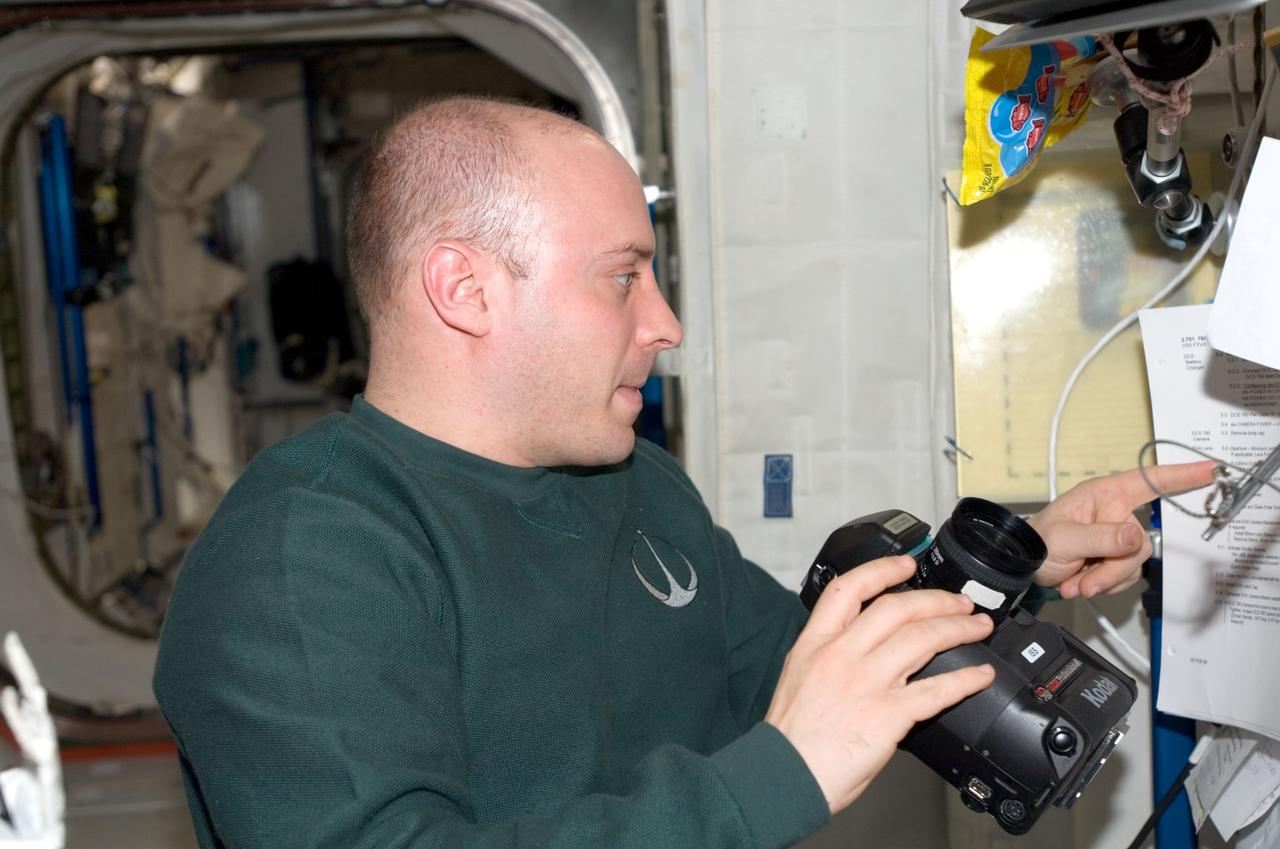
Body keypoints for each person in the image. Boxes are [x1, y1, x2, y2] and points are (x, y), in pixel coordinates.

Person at [153, 97, 1214, 849]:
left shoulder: (632, 486)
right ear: (464, 290)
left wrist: (1009, 556)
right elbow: (790, 752)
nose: (663, 325)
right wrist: (772, 785)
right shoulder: (302, 558)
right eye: (622, 278)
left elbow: (798, 677)